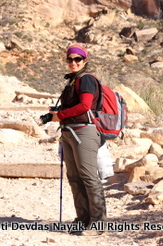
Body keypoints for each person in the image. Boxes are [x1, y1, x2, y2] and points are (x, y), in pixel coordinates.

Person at [50, 44, 107, 235]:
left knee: (89, 177)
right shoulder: (72, 80)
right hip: (69, 131)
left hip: (84, 132)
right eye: (70, 59)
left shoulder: (87, 79)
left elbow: (84, 106)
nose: (73, 62)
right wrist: (58, 115)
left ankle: (98, 223)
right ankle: (83, 219)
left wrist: (60, 115)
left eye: (77, 59)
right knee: (74, 177)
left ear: (85, 60)